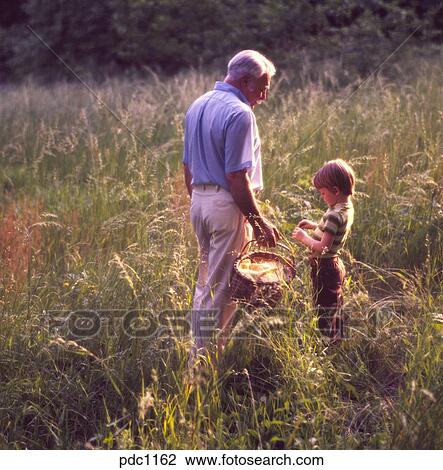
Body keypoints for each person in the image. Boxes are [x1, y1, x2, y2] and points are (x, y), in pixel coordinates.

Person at [183, 50, 281, 358]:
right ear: (245, 81)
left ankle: (206, 359)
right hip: (226, 206)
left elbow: (187, 167)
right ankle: (200, 370)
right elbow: (237, 176)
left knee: (208, 286)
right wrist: (259, 221)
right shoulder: (240, 113)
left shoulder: (197, 105)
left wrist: (202, 202)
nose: (264, 96)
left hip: (199, 203)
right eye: (263, 87)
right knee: (221, 291)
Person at [291, 159, 355, 341]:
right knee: (334, 304)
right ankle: (338, 337)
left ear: (335, 190)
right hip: (334, 265)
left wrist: (304, 237)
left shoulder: (334, 215)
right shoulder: (344, 208)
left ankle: (327, 343)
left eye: (323, 193)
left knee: (324, 308)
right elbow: (331, 231)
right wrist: (314, 226)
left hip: (326, 266)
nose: (321, 196)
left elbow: (324, 247)